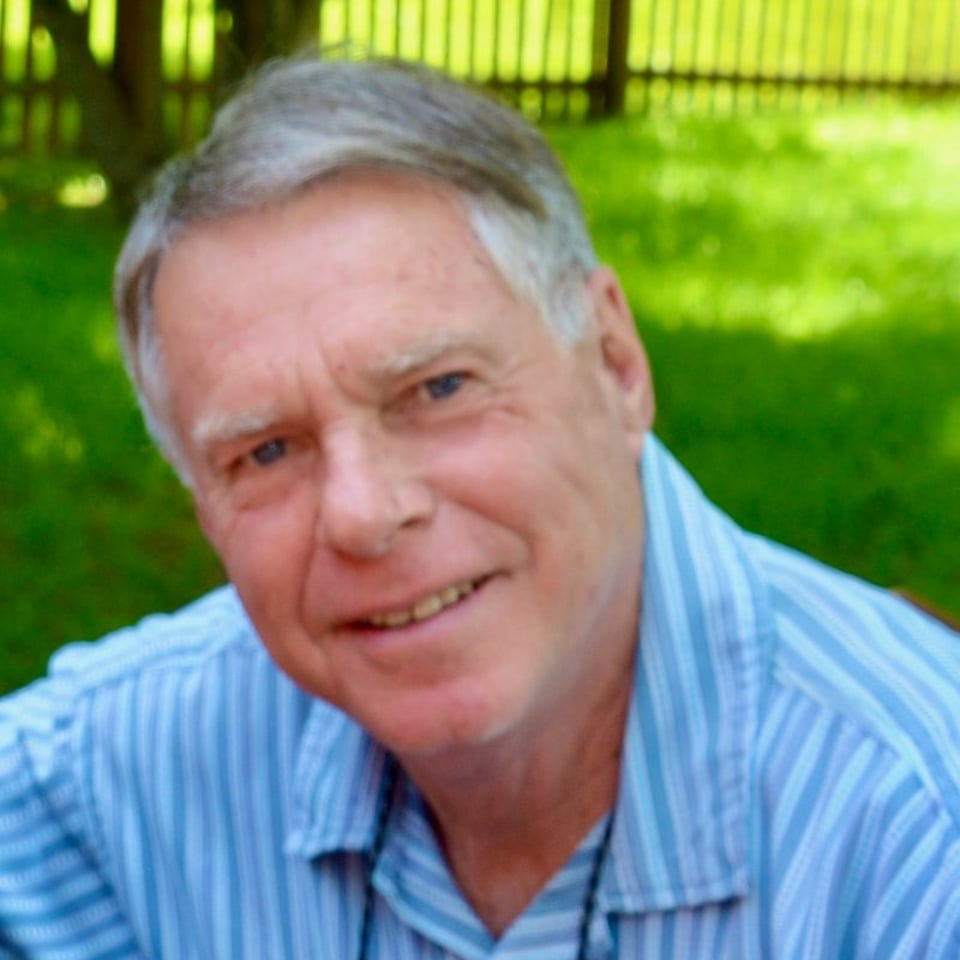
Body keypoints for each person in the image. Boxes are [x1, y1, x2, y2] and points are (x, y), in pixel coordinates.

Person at [2, 56, 959, 960]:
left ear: (616, 365)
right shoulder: (115, 781)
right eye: (268, 451)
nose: (363, 514)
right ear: (204, 505)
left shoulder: (916, 835)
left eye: (439, 389)